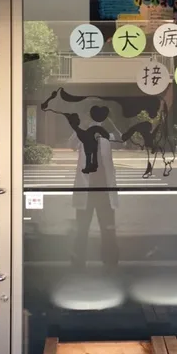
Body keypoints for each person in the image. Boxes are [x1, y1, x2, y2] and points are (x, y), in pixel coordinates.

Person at [69, 106, 119, 268]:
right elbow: (72, 144)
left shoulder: (107, 134)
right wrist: (82, 125)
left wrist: (110, 123)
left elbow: (121, 141)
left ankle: (110, 260)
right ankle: (78, 261)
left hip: (105, 189)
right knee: (82, 228)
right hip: (87, 189)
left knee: (108, 228)